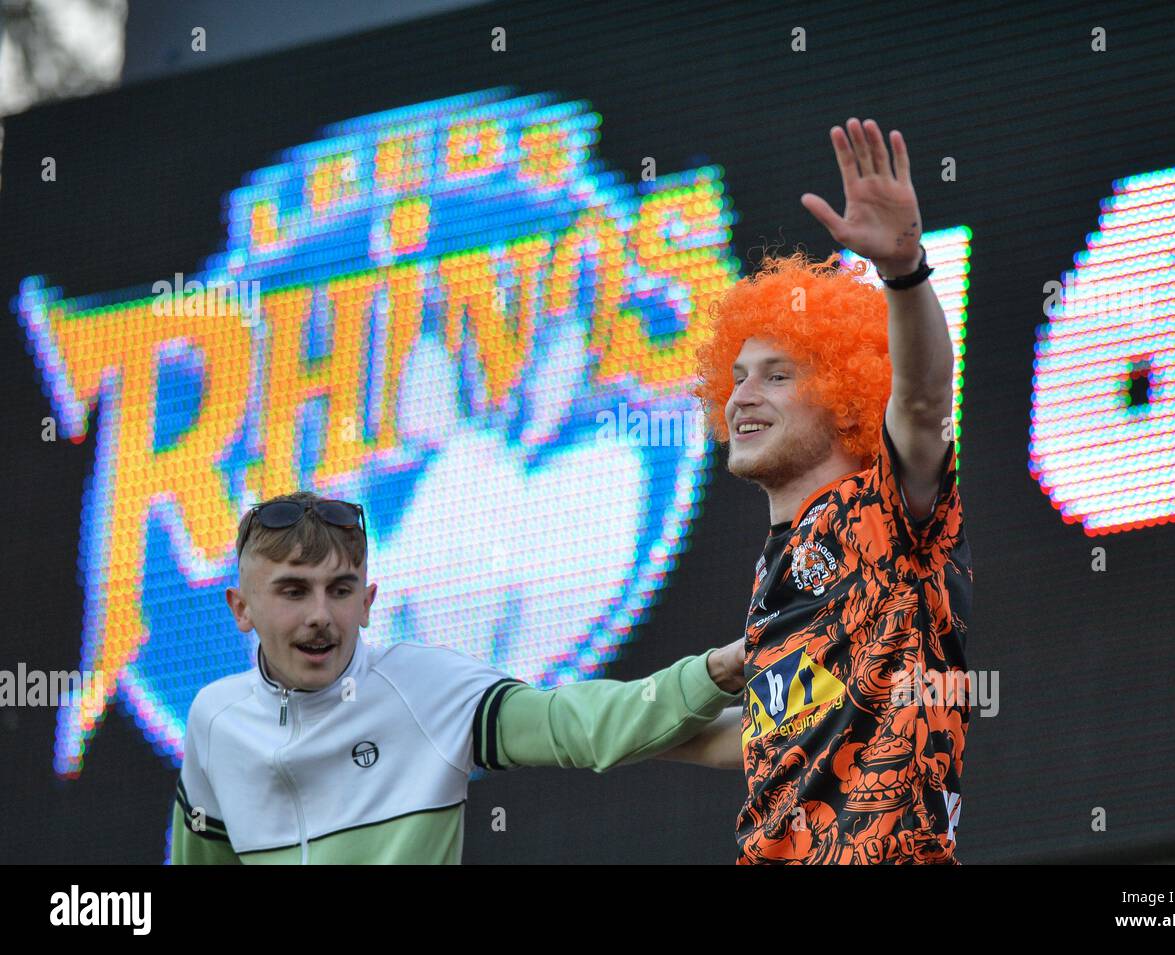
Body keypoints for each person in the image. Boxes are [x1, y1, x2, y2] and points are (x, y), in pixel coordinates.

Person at [674, 118, 973, 864]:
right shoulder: (777, 570)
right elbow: (771, 733)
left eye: (777, 374)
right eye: (737, 375)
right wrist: (604, 728)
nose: (743, 395)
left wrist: (904, 270)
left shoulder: (887, 510)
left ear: (846, 394)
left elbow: (926, 401)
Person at [170, 490, 745, 864]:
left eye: (340, 590)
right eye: (294, 591)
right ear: (241, 608)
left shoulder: (427, 687)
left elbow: (576, 725)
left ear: (368, 603)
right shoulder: (214, 721)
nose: (321, 614)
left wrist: (717, 669)